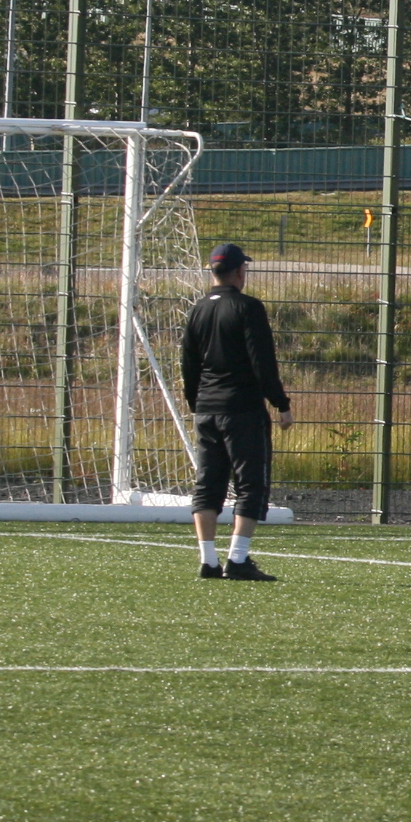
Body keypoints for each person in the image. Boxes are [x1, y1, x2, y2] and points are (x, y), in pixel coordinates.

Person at [181, 240, 293, 581]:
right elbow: (262, 361)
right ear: (240, 271)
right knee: (250, 483)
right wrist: (281, 403)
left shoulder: (198, 309)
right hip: (242, 409)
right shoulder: (248, 307)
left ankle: (208, 560)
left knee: (208, 484)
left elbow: (188, 364)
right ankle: (238, 558)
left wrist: (196, 403)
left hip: (206, 409)